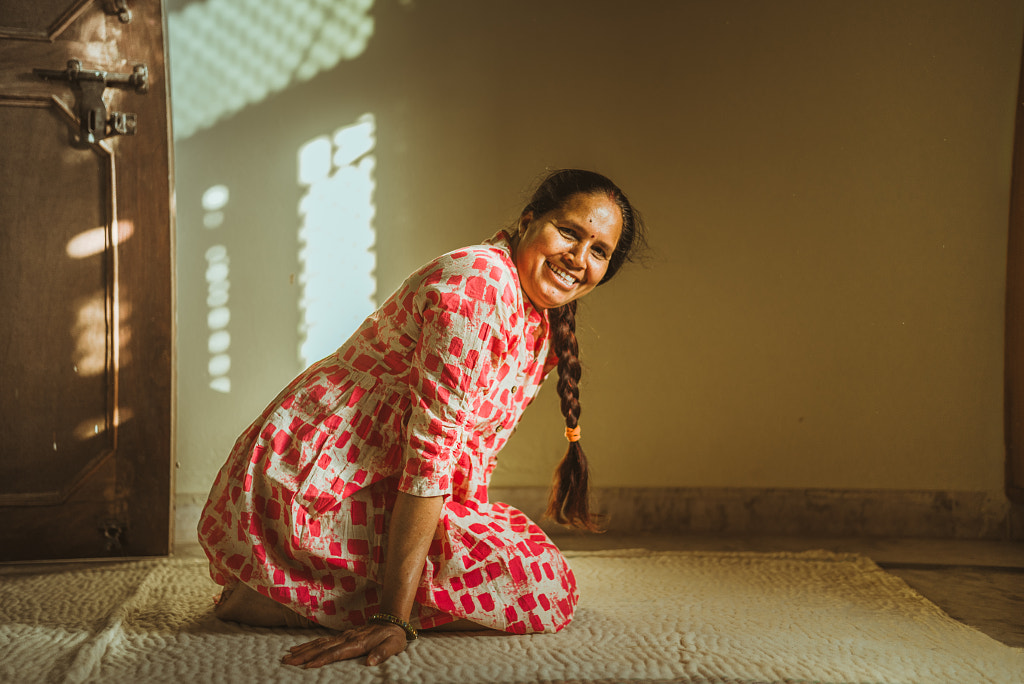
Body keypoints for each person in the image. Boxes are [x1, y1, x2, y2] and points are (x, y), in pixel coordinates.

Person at [197, 169, 645, 669]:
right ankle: (278, 596)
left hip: (377, 478)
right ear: (528, 221)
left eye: (599, 251)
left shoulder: (537, 314)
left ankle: (302, 589)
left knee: (528, 567)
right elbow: (431, 453)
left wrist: (464, 536)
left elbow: (468, 459)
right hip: (316, 486)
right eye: (569, 232)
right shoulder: (481, 285)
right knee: (543, 588)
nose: (579, 259)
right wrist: (393, 618)